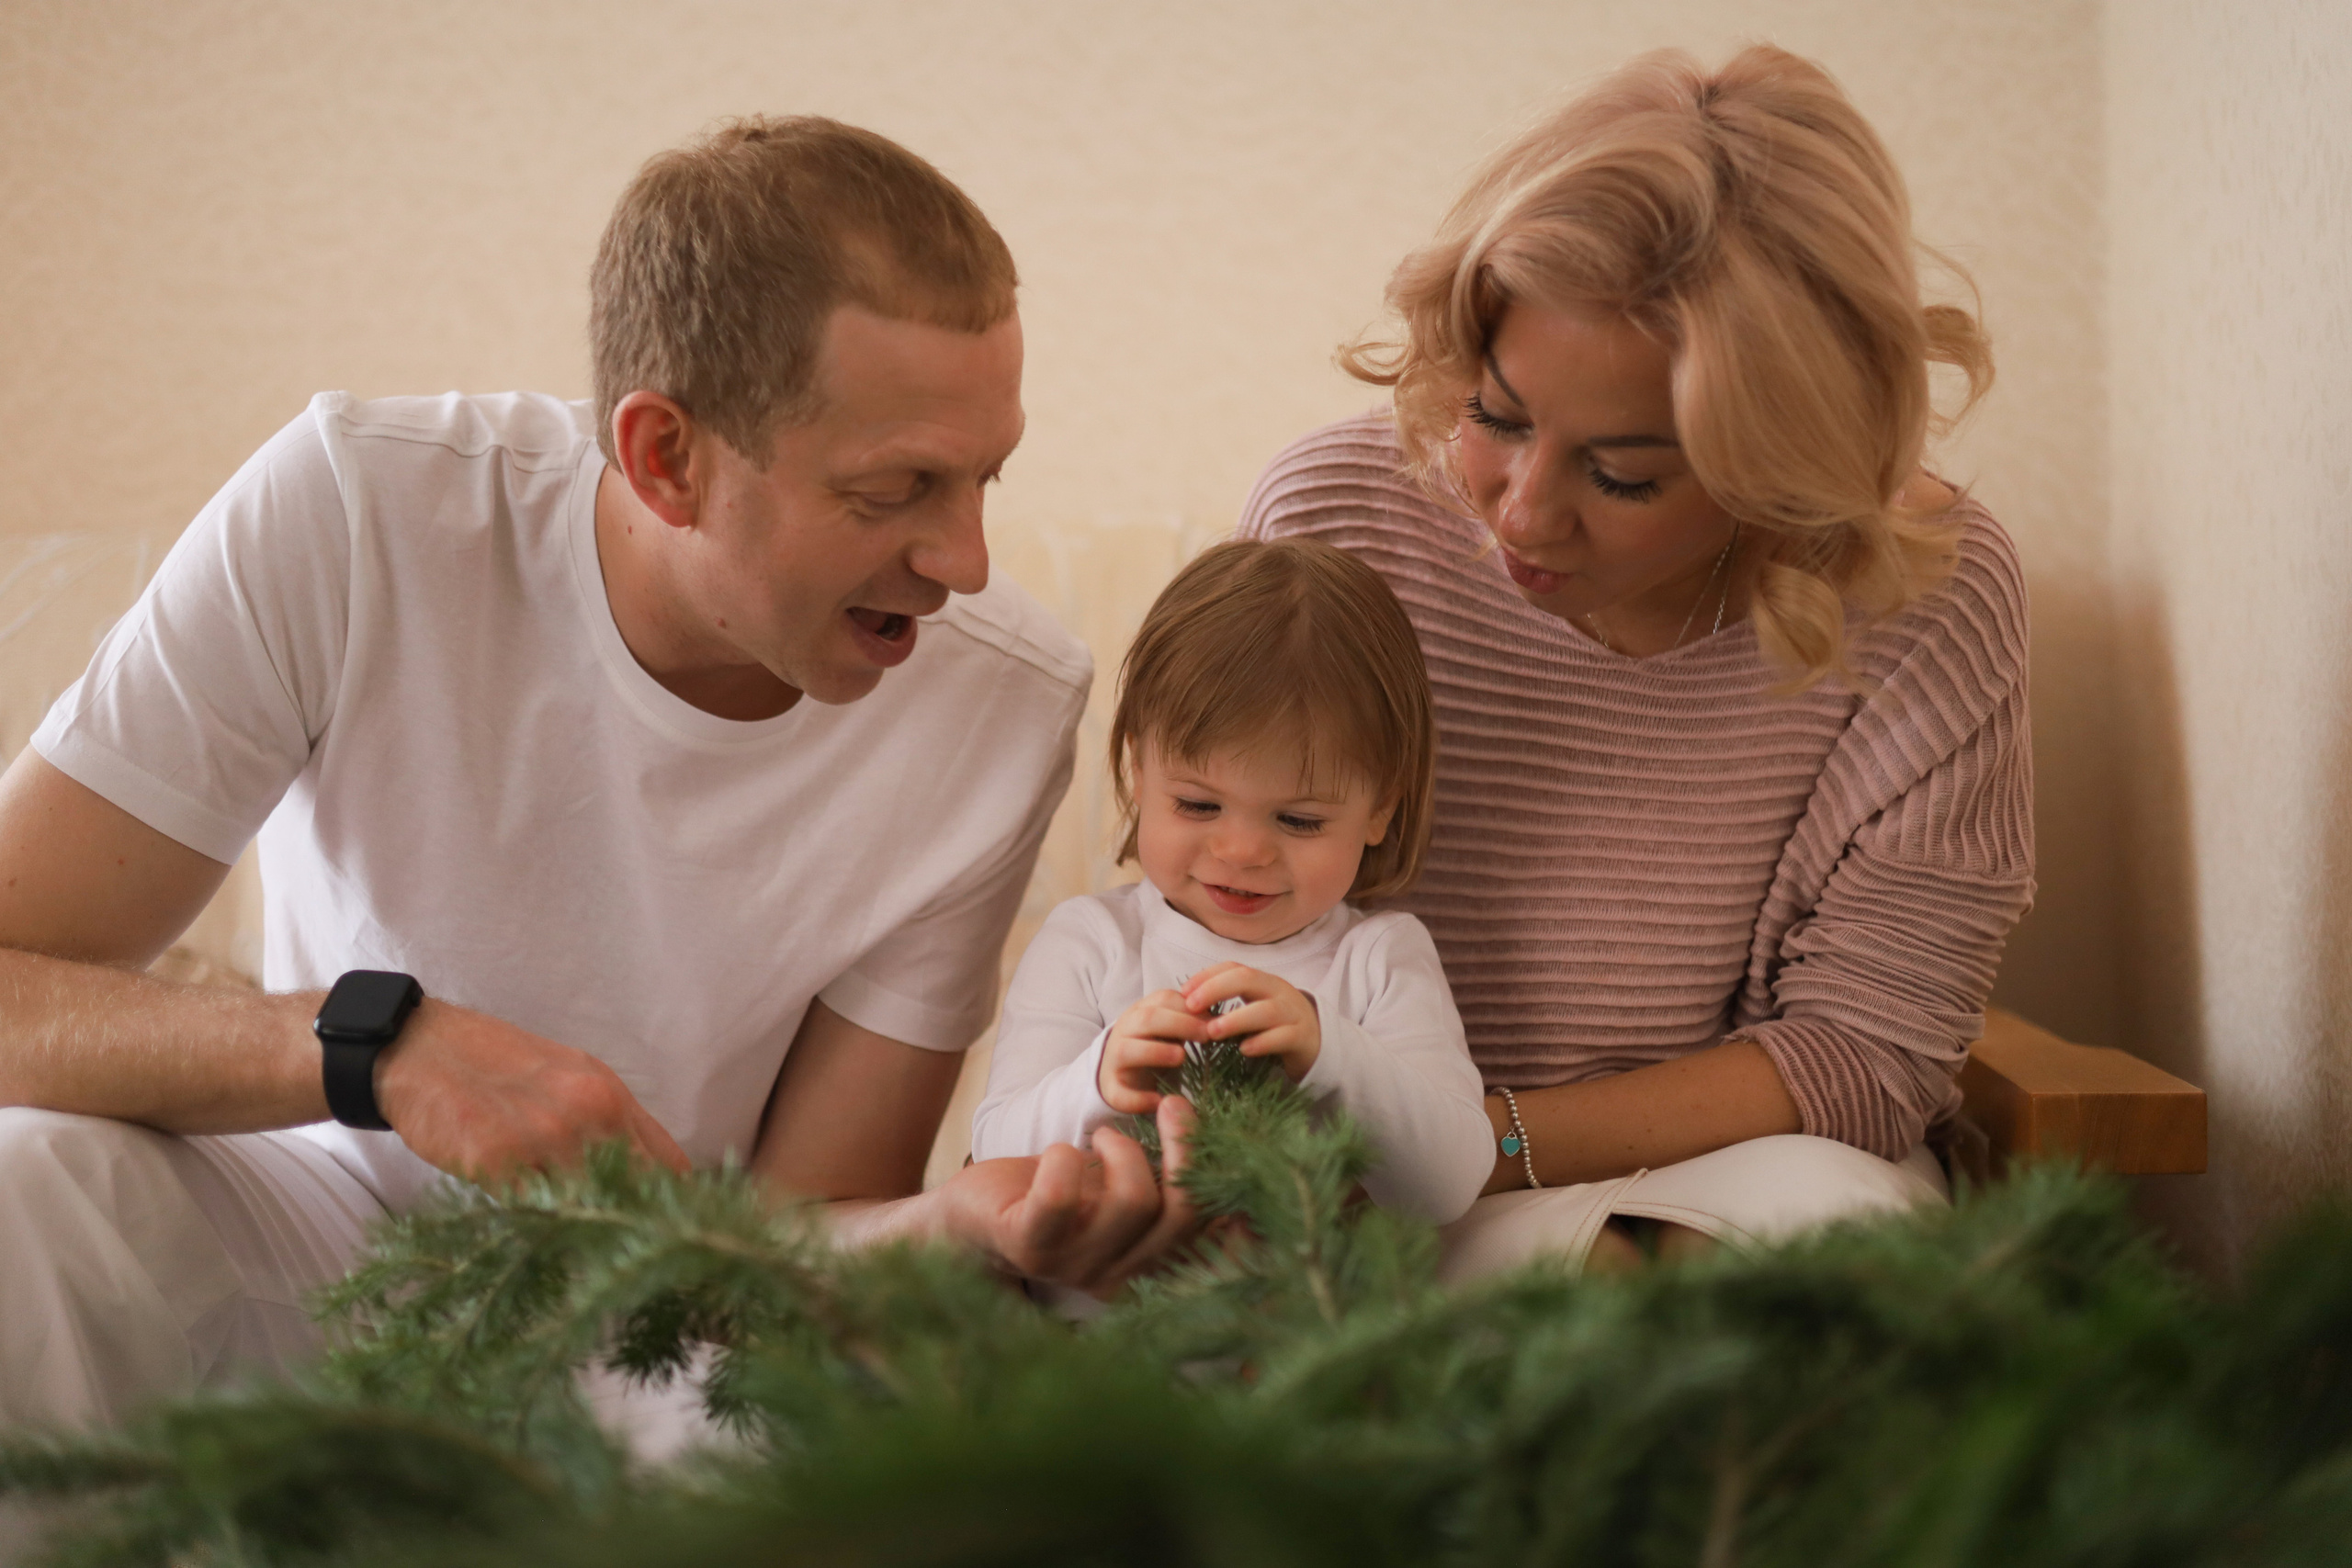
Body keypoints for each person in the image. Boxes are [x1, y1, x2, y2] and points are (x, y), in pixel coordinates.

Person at [0, 117, 1198, 1432]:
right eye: (897, 488)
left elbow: (800, 1235)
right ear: (664, 456)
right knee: (31, 1183)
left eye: (985, 475)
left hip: (675, 1314)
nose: (966, 559)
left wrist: (949, 1222)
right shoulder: (355, 512)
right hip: (320, 1231)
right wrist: (373, 1043)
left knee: (837, 1415)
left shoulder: (1003, 700)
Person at [1238, 45, 2032, 1273]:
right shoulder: (1335, 524)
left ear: (1783, 464)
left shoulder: (1931, 591)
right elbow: (1216, 900)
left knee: (1841, 1245)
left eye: (1623, 474)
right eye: (1495, 417)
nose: (1523, 511)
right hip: (1355, 1173)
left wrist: (1475, 1143)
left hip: (1706, 1183)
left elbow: (1871, 1056)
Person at [971, 538, 1492, 1225]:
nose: (1242, 851)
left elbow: (1453, 1181)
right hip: (1099, 1316)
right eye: (1197, 804)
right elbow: (994, 1151)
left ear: (1381, 809)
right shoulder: (1092, 942)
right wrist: (1100, 1077)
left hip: (1322, 1319)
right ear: (1137, 770)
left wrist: (1329, 1050)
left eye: (1299, 819)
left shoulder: (1379, 960)